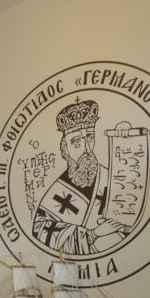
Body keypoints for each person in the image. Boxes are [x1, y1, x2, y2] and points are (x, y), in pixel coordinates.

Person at [32, 98, 127, 254]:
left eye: (90, 138)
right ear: (65, 149)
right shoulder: (58, 190)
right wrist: (92, 234)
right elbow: (40, 228)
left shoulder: (110, 178)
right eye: (76, 142)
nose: (87, 149)